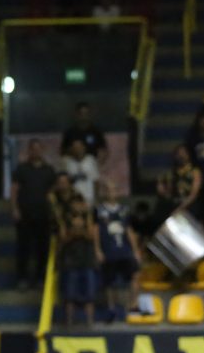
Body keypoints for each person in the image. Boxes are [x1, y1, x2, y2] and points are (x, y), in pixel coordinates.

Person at [12, 140, 57, 289]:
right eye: (33, 149)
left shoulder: (49, 170)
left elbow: (53, 192)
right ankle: (22, 278)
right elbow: (14, 190)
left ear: (42, 150)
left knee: (43, 248)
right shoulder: (21, 169)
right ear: (29, 150)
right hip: (25, 214)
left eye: (38, 148)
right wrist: (15, 208)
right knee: (23, 247)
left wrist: (53, 211)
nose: (36, 151)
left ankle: (40, 278)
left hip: (44, 214)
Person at [95, 181, 143, 317]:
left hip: (124, 250)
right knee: (109, 281)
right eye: (109, 190)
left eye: (114, 190)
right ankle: (111, 308)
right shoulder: (99, 210)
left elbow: (129, 230)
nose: (112, 193)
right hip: (109, 250)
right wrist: (97, 249)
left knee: (135, 275)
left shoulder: (124, 209)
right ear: (105, 192)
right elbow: (95, 230)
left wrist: (135, 250)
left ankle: (133, 305)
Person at [60, 213, 98, 326]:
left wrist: (81, 231)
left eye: (80, 220)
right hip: (71, 266)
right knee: (69, 297)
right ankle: (69, 322)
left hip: (87, 265)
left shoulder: (89, 229)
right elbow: (63, 239)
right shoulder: (66, 228)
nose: (77, 222)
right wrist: (73, 233)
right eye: (75, 220)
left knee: (90, 296)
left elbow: (91, 236)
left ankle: (90, 322)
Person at [157, 145, 202, 222]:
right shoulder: (171, 172)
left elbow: (194, 194)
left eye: (183, 153)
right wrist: (161, 187)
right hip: (174, 204)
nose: (181, 156)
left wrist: (180, 208)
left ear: (188, 155)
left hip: (189, 206)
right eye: (178, 153)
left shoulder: (195, 171)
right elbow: (168, 194)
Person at [62, 139, 100, 207]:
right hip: (73, 199)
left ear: (84, 148)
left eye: (79, 147)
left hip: (89, 198)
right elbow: (64, 182)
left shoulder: (90, 160)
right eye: (75, 148)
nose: (77, 150)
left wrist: (96, 198)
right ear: (71, 149)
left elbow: (96, 181)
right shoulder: (66, 162)